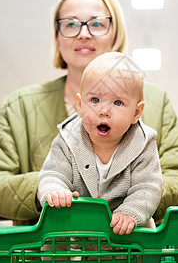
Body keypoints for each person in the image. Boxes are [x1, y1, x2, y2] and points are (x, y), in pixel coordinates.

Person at [0, 0, 178, 225]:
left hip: (129, 251)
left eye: (97, 24)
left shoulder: (155, 101)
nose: (83, 33)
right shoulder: (19, 107)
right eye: (70, 24)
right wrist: (51, 187)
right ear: (57, 38)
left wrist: (135, 197)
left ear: (115, 34)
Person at [38, 52, 162, 235]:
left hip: (126, 239)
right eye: (94, 100)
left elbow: (148, 187)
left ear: (136, 113)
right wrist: (55, 191)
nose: (104, 111)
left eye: (118, 102)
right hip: (77, 235)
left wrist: (130, 212)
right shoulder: (68, 138)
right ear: (80, 105)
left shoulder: (143, 144)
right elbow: (53, 173)